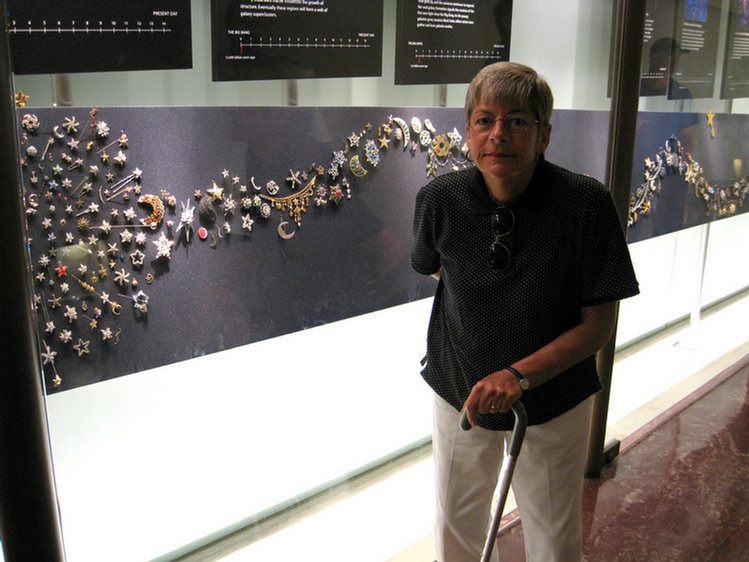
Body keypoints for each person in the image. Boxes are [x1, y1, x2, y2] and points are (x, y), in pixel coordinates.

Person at [410, 61, 640, 562]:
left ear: (543, 135)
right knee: (455, 532)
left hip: (554, 400)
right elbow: (436, 269)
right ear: (468, 131)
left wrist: (518, 374)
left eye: (517, 121)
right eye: (484, 120)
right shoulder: (439, 200)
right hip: (460, 391)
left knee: (554, 542)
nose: (498, 135)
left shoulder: (585, 205)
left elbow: (599, 324)